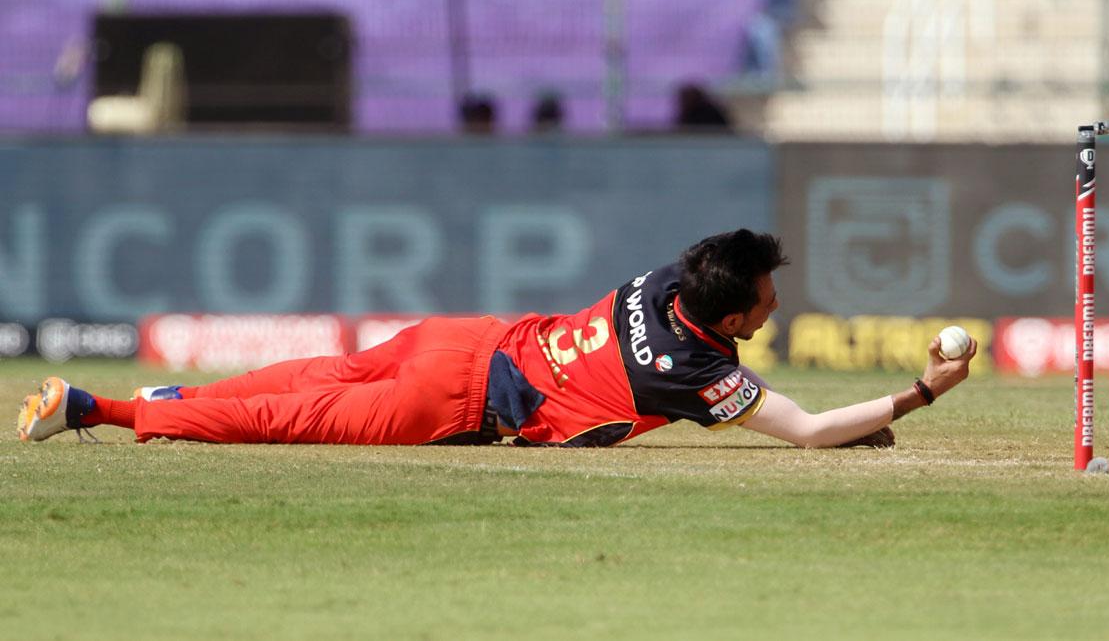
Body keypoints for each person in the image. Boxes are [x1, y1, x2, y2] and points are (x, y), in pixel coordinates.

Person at [17, 229, 974, 448]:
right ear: (729, 316)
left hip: (462, 336)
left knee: (298, 374)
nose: (771, 306)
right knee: (290, 415)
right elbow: (801, 430)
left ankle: (155, 402)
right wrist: (922, 393)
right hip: (460, 401)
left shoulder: (669, 279)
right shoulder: (693, 371)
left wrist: (861, 424)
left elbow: (741, 372)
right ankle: (94, 408)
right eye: (764, 299)